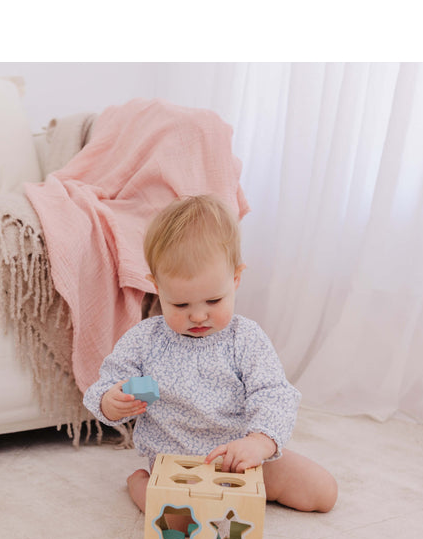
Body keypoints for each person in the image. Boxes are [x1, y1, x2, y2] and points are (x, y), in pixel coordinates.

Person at [82, 194, 338, 513]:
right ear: (157, 288)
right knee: (169, 514)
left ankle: (247, 472)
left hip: (239, 457)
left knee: (323, 493)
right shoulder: (145, 339)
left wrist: (259, 443)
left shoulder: (245, 338)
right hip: (176, 464)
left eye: (214, 301)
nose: (199, 316)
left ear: (236, 278)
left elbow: (273, 393)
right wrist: (111, 401)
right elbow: (106, 384)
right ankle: (140, 482)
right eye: (181, 305)